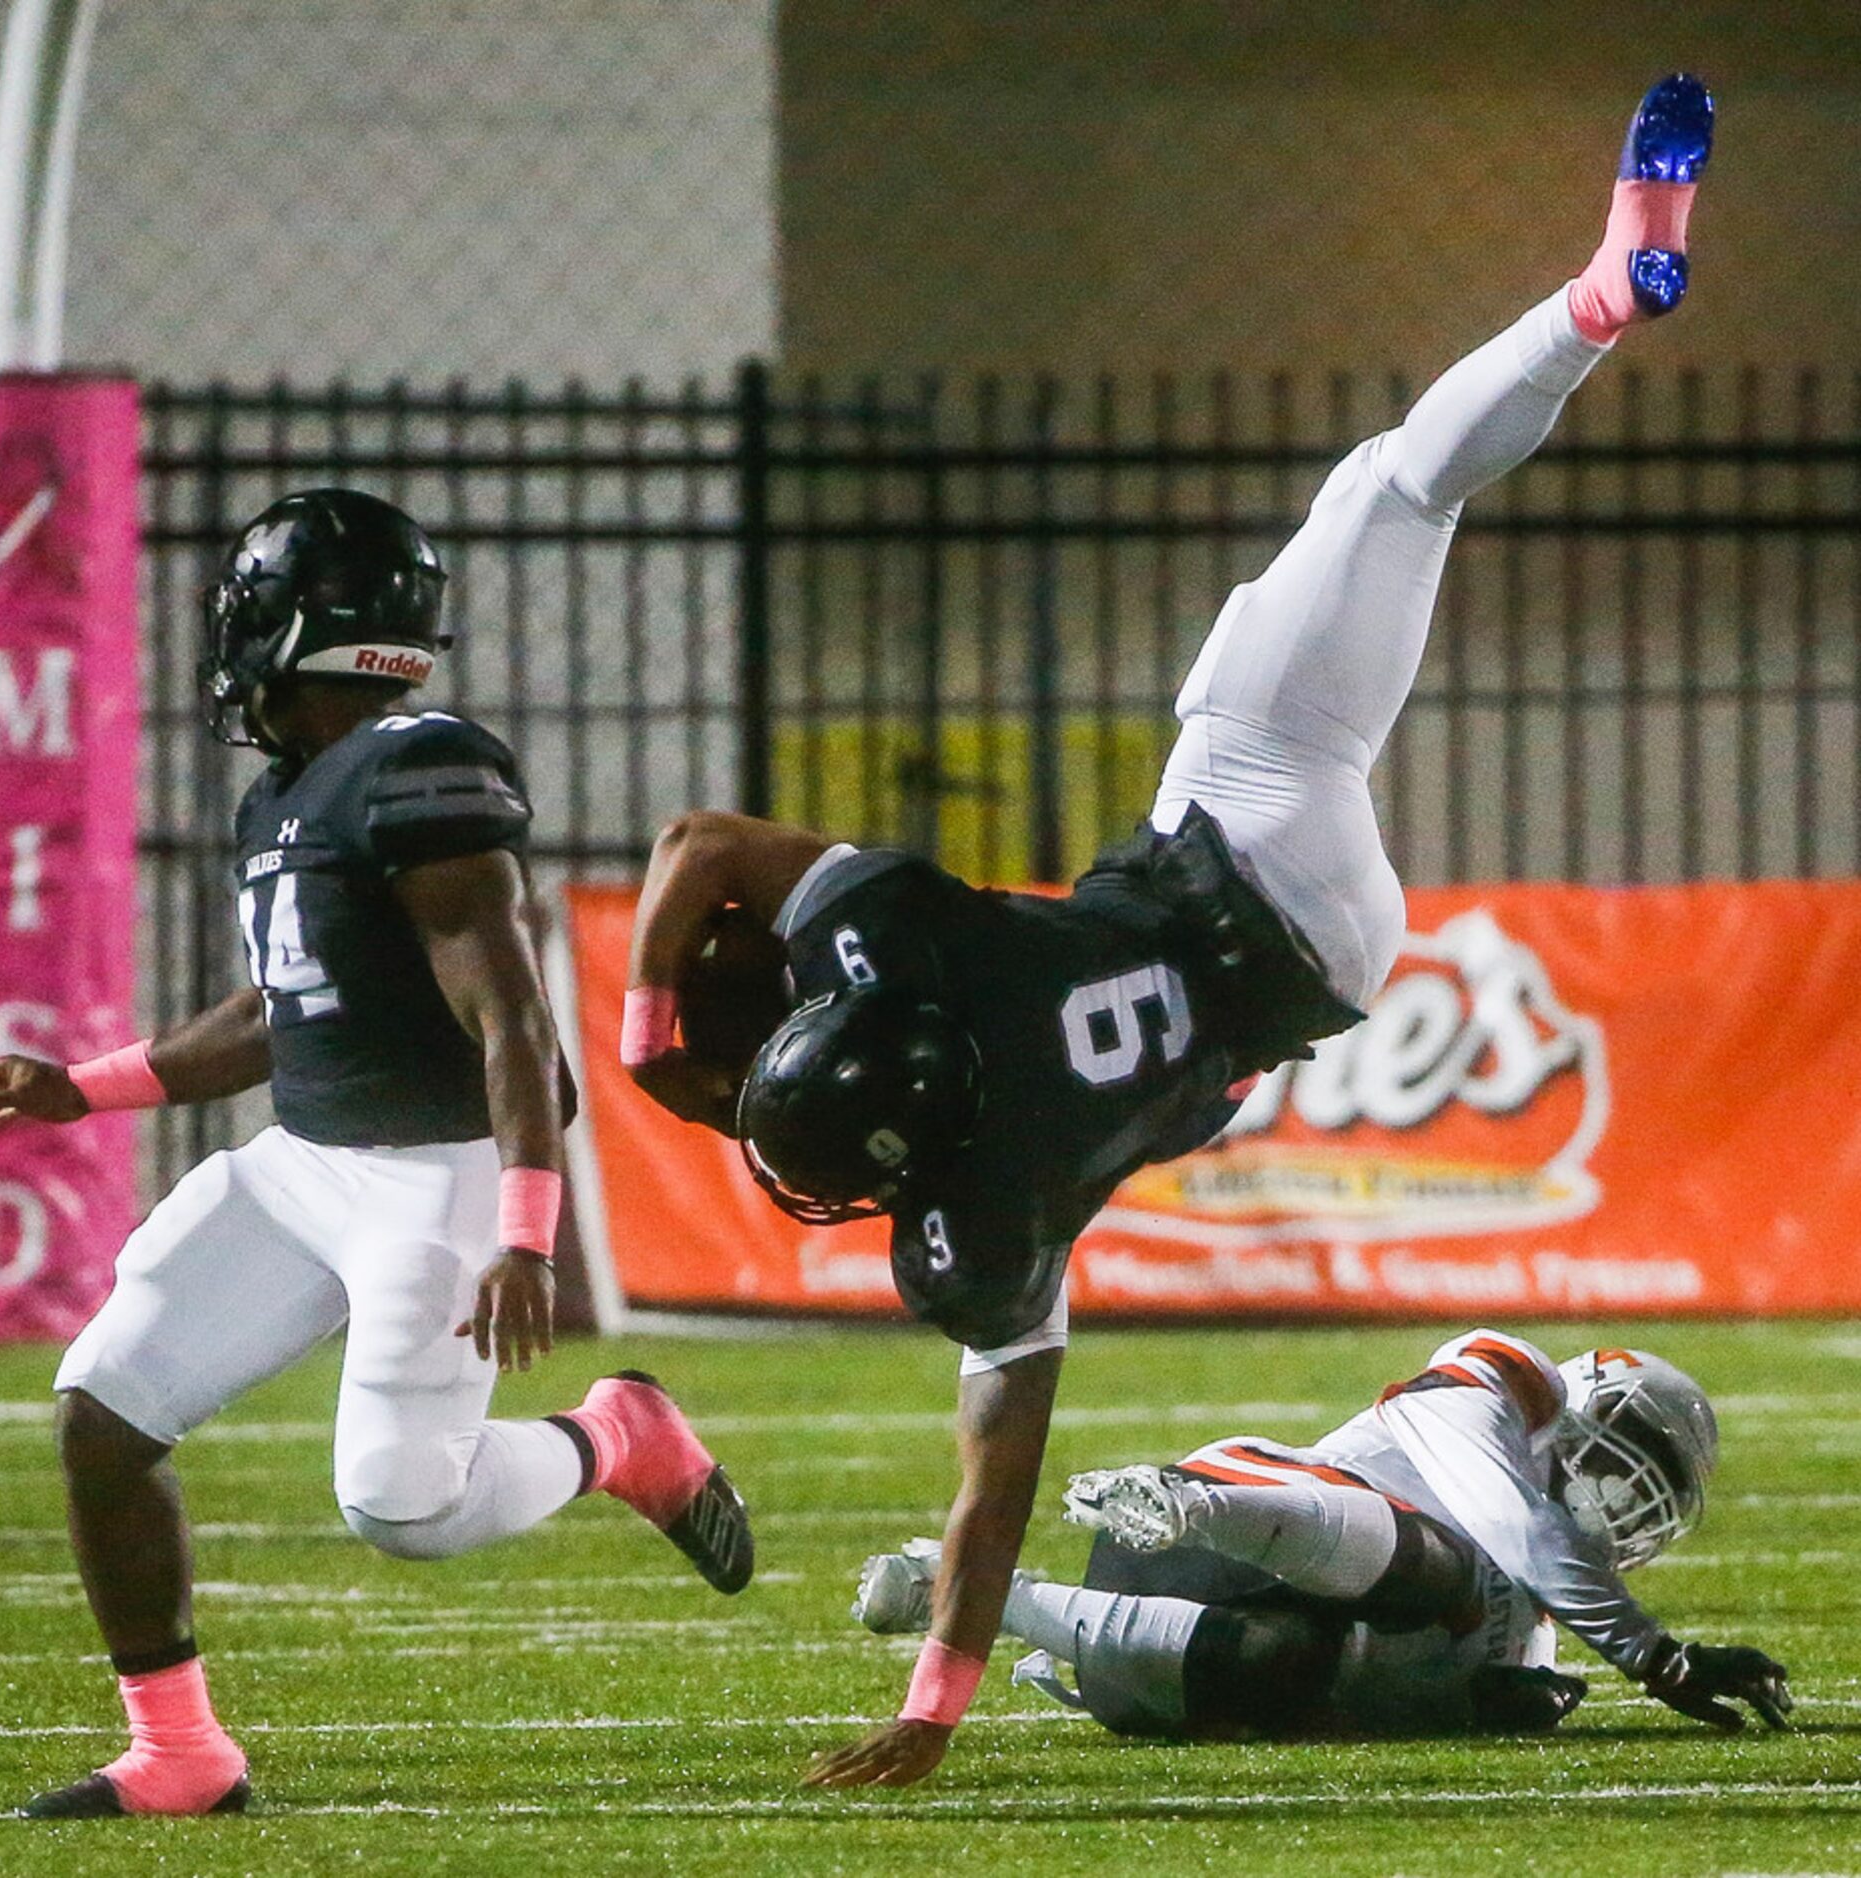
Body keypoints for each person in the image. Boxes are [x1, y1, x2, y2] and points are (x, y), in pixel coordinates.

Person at [619, 77, 1720, 1786]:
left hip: (1321, 976)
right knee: (1392, 488)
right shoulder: (912, 942)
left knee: (1388, 508)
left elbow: (993, 1477)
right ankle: (1598, 295)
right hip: (1244, 813)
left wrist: (930, 1711)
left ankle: (1598, 293)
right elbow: (700, 842)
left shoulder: (988, 1210)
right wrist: (642, 1042)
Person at [0, 488, 753, 1819]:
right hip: (307, 1165)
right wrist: (81, 1091)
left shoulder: (415, 765)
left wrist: (521, 1236)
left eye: (252, 611)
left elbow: (514, 1022)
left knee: (401, 1505)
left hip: (434, 1181)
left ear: (304, 627)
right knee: (103, 1409)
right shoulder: (285, 793)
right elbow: (279, 1006)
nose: (233, 639)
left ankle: (616, 1436)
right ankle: (181, 1754)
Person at [851, 1332, 1792, 1741]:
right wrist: (1658, 1659)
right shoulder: (1497, 1386)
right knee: (1443, 1573)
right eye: (1617, 1462)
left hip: (1159, 1664)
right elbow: (1515, 1526)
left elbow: (1377, 1694)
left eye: (1642, 1492)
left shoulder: (1537, 1619)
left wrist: (1470, 1707)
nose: (1615, 1499)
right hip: (1216, 1520)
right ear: (1578, 1411)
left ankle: (970, 1590)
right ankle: (1175, 1499)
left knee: (1298, 1663)